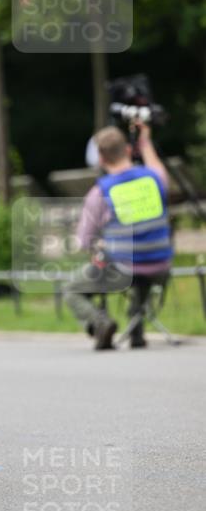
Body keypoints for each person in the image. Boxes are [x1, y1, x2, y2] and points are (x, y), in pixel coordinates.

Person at [64, 121, 173, 349]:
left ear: (100, 158)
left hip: (125, 271)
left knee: (72, 289)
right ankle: (136, 333)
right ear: (128, 150)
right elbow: (156, 166)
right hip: (161, 267)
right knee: (139, 270)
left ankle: (100, 323)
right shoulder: (155, 178)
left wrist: (102, 243)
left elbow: (83, 241)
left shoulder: (101, 192)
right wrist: (145, 140)